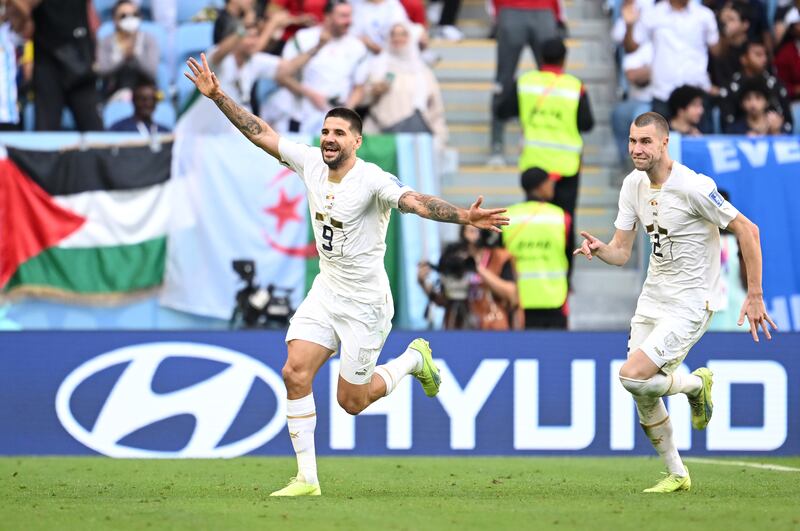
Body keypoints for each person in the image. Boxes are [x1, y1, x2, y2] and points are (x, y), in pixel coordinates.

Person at [184, 52, 509, 496]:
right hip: (326, 291)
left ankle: (413, 360)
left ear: (357, 141)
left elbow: (415, 202)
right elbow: (261, 133)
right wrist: (219, 95)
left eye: (339, 133)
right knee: (294, 372)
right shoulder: (310, 163)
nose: (329, 139)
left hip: (365, 304)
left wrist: (463, 218)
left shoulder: (373, 180)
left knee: (351, 402)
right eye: (325, 132)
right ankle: (307, 480)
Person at [574, 111, 776, 493]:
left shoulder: (694, 187)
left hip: (690, 302)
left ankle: (694, 386)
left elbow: (748, 230)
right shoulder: (632, 185)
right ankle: (678, 474)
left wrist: (755, 294)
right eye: (633, 141)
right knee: (640, 391)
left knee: (632, 375)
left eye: (645, 142)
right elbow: (621, 252)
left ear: (665, 143)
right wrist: (600, 250)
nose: (637, 149)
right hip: (652, 299)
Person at [497, 37, 593, 277]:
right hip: (566, 167)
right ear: (564, 59)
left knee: (535, 218)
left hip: (535, 166)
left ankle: (532, 270)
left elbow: (501, 110)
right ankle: (564, 278)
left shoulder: (525, 82)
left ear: (540, 58)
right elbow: (587, 123)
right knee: (564, 222)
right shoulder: (575, 86)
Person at [269, 0, 369, 134]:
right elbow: (281, 76)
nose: (348, 21)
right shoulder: (303, 37)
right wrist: (310, 94)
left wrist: (346, 111)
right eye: (343, 16)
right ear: (328, 17)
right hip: (302, 115)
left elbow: (359, 87)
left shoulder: (357, 46)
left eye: (350, 16)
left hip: (337, 119)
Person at [621, 0, 720, 128]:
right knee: (660, 146)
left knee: (700, 145)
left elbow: (717, 52)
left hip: (696, 95)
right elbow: (631, 47)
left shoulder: (705, 15)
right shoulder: (653, 14)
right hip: (663, 94)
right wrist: (629, 26)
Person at [488, 0, 562, 165]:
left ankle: (551, 141)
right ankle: (497, 145)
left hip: (540, 9)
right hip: (514, 8)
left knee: (552, 79)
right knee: (503, 80)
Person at [14, 0, 103, 131]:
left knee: (94, 132)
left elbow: (93, 21)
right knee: (46, 134)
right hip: (48, 63)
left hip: (80, 61)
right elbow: (21, 13)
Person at [502, 167, 569, 329]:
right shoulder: (561, 216)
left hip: (518, 301)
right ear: (539, 186)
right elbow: (570, 256)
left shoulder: (507, 217)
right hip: (554, 299)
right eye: (549, 182)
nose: (552, 185)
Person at [417, 225, 520, 330]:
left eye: (477, 225)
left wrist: (478, 269)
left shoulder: (499, 257)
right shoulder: (454, 257)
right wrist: (423, 283)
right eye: (469, 224)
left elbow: (512, 295)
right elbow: (444, 300)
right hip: (458, 326)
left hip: (491, 325)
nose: (472, 230)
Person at [363, 22, 447, 147]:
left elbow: (435, 108)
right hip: (381, 135)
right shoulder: (376, 66)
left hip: (415, 138)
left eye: (403, 34)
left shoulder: (423, 72)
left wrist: (440, 137)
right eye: (393, 34)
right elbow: (361, 100)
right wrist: (373, 91)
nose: (398, 39)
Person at [719, 40, 794, 134]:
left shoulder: (776, 85)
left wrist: (776, 131)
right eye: (758, 55)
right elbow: (727, 126)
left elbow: (788, 123)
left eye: (765, 54)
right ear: (744, 59)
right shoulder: (731, 87)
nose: (764, 59)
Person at [95, 0, 159, 101]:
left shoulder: (148, 40)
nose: (130, 19)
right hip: (114, 93)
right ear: (115, 19)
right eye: (123, 16)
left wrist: (135, 54)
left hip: (144, 94)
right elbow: (102, 70)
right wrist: (123, 56)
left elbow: (152, 72)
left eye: (134, 15)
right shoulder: (106, 41)